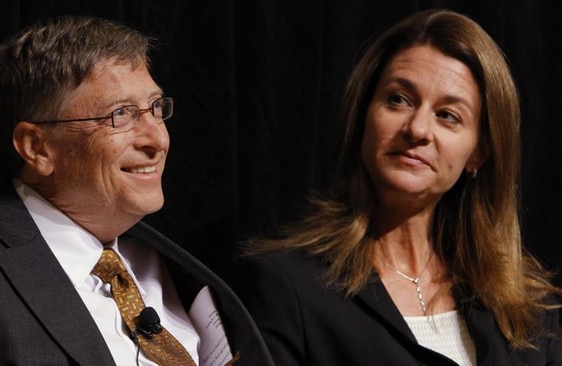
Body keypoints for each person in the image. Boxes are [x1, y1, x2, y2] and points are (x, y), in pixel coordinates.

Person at [0, 15, 273, 366]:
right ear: (37, 147)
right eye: (121, 115)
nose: (158, 139)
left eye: (155, 109)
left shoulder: (172, 264)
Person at [235, 9, 562, 366]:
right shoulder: (288, 287)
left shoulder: (528, 307)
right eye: (398, 99)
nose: (418, 129)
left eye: (448, 115)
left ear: (479, 152)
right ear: (363, 115)